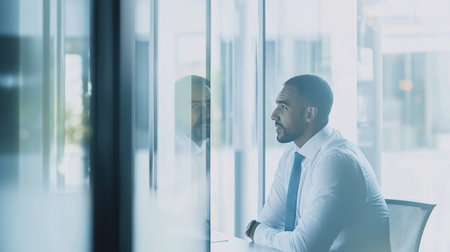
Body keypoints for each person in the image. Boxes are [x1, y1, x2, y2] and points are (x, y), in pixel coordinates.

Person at [245, 75, 391, 252]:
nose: (273, 115)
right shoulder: (293, 153)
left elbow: (304, 247)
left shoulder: (336, 161)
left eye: (283, 107)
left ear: (309, 114)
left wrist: (256, 231)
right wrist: (260, 230)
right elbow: (268, 222)